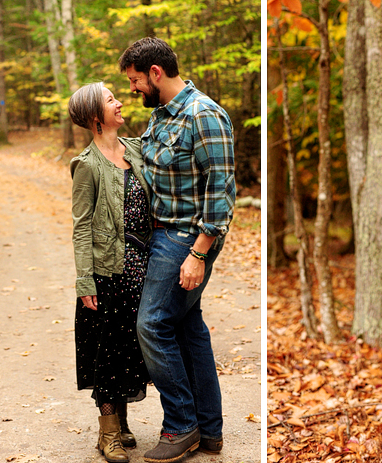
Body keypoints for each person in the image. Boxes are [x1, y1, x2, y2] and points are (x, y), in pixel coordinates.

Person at [118, 37, 236, 463]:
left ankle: (181, 424)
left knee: (151, 324)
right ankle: (209, 430)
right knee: (187, 327)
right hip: (164, 233)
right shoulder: (162, 117)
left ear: (155, 72)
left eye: (134, 81)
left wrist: (199, 253)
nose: (133, 90)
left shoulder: (202, 115)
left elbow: (221, 191)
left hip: (186, 237)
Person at [68, 82, 152, 463]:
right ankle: (108, 435)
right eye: (110, 100)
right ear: (93, 117)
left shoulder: (134, 148)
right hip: (106, 270)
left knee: (131, 346)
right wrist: (85, 280)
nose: (119, 103)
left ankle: (122, 421)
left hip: (142, 263)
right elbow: (81, 226)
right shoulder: (87, 164)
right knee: (108, 350)